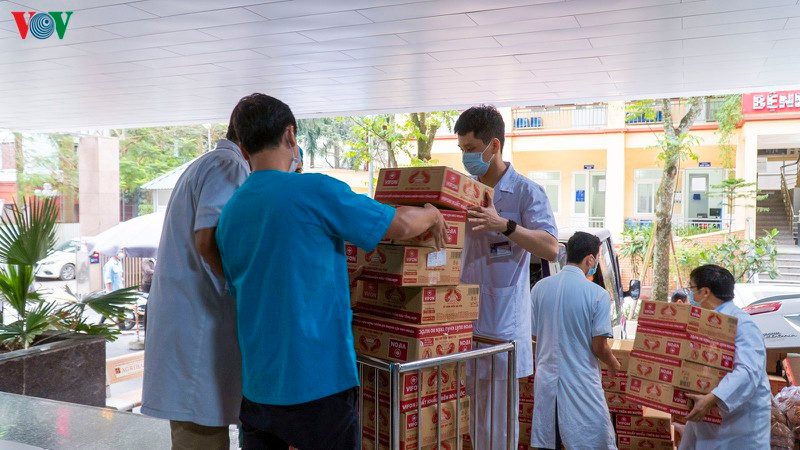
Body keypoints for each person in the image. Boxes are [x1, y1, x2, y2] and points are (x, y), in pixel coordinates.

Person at [215, 93, 448, 450]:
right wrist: (432, 213)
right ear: (291, 136)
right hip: (319, 383)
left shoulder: (230, 213)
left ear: (242, 149)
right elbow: (398, 224)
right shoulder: (313, 191)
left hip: (259, 388)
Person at [141, 98, 251, 450]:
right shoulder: (228, 164)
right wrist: (243, 289)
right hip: (197, 328)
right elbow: (207, 239)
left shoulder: (207, 163)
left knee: (195, 432)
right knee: (200, 437)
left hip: (187, 324)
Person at [456, 105, 558, 448]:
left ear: (493, 146)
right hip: (466, 324)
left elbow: (550, 247)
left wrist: (507, 226)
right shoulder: (464, 192)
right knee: (476, 421)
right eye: (462, 151)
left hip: (502, 328)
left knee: (500, 425)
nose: (466, 158)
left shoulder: (527, 192)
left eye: (471, 150)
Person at [530, 231, 619, 449]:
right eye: (596, 259)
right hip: (581, 383)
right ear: (590, 259)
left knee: (549, 439)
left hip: (547, 382)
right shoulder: (597, 295)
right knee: (592, 439)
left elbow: (534, 336)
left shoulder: (540, 288)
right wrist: (615, 365)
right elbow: (599, 346)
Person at [680, 264, 770, 449]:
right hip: (709, 421)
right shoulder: (704, 323)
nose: (689, 295)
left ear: (704, 292)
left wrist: (712, 398)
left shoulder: (743, 325)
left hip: (740, 427)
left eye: (691, 289)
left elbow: (747, 371)